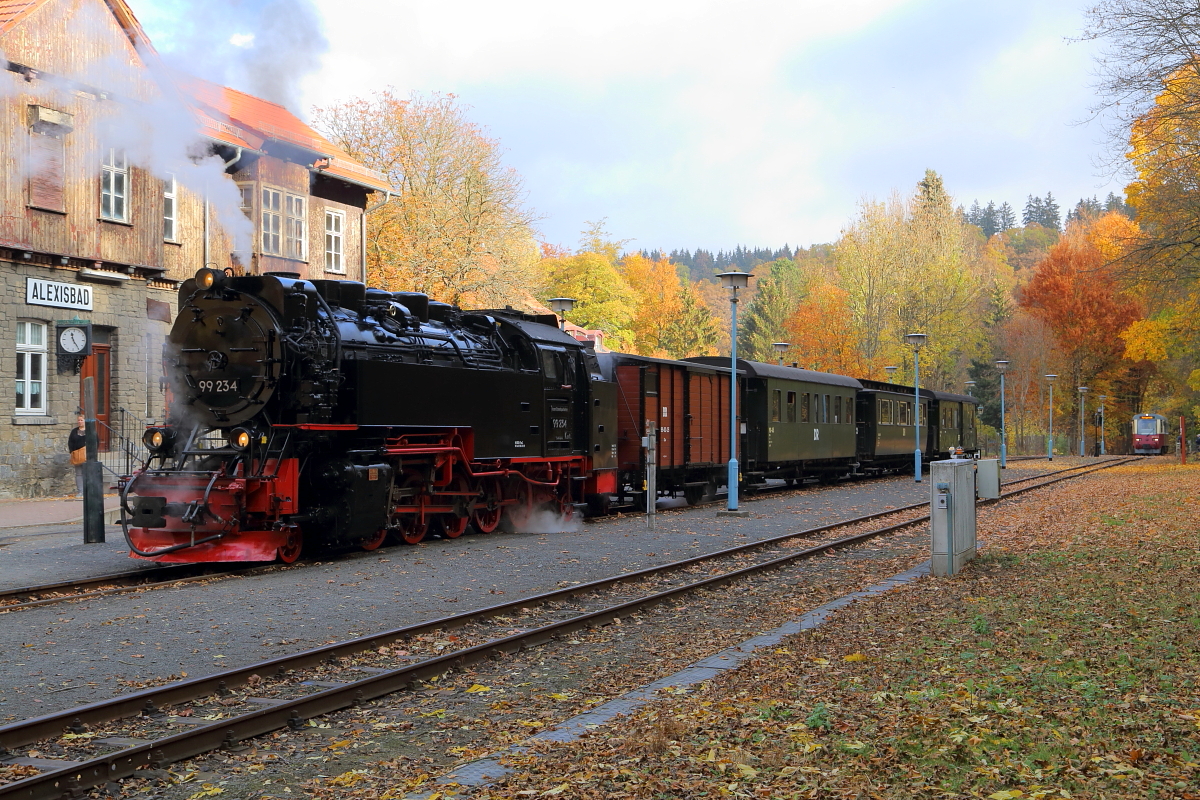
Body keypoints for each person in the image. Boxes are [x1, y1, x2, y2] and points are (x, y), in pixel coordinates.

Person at [68, 414, 87, 497]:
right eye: (79, 420)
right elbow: (70, 442)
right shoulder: (74, 431)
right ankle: (80, 491)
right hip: (77, 455)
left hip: (87, 455)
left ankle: (87, 491)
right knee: (79, 474)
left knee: (87, 473)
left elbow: (95, 441)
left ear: (85, 421)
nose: (80, 422)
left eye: (81, 420)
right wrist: (72, 452)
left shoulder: (89, 431)